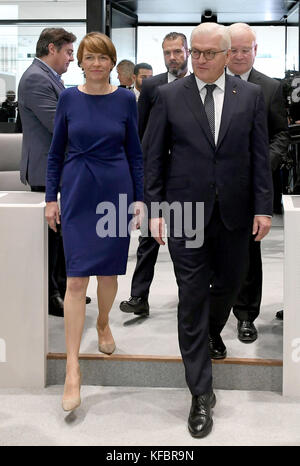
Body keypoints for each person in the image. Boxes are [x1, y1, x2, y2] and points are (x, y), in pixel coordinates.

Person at [144, 22, 273, 438]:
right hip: (184, 213)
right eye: (193, 52)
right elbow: (154, 158)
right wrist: (155, 210)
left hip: (235, 212)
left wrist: (264, 208)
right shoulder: (167, 96)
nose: (198, 59)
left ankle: (212, 332)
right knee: (192, 296)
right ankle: (200, 392)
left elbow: (258, 157)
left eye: (207, 53)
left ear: (226, 54)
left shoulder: (249, 96)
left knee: (232, 286)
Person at [45, 32, 144, 412]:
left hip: (115, 190)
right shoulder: (69, 97)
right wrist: (50, 198)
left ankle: (103, 321)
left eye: (104, 57)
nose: (97, 63)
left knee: (107, 275)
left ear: (112, 62)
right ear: (81, 62)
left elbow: (134, 152)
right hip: (77, 192)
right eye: (90, 57)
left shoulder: (124, 99)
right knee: (75, 278)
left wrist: (138, 199)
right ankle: (73, 368)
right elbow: (55, 154)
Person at [219, 22, 289, 346]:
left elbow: (280, 135)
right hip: (211, 186)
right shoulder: (208, 85)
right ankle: (212, 317)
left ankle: (246, 316)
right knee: (211, 252)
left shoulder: (270, 88)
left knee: (248, 251)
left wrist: (262, 167)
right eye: (233, 49)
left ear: (255, 50)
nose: (239, 55)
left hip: (251, 186)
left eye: (245, 49)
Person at [120, 32, 190, 317]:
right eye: (167, 52)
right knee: (148, 238)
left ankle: (190, 298)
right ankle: (139, 297)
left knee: (187, 242)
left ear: (187, 51)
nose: (172, 57)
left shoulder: (199, 85)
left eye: (177, 51)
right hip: (156, 175)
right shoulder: (151, 87)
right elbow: (140, 135)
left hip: (187, 176)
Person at [18, 28, 76, 317]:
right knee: (50, 239)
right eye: (68, 52)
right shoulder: (35, 79)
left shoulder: (49, 77)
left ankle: (64, 289)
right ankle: (51, 295)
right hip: (45, 171)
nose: (72, 59)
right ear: (51, 49)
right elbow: (59, 126)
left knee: (60, 236)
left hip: (57, 170)